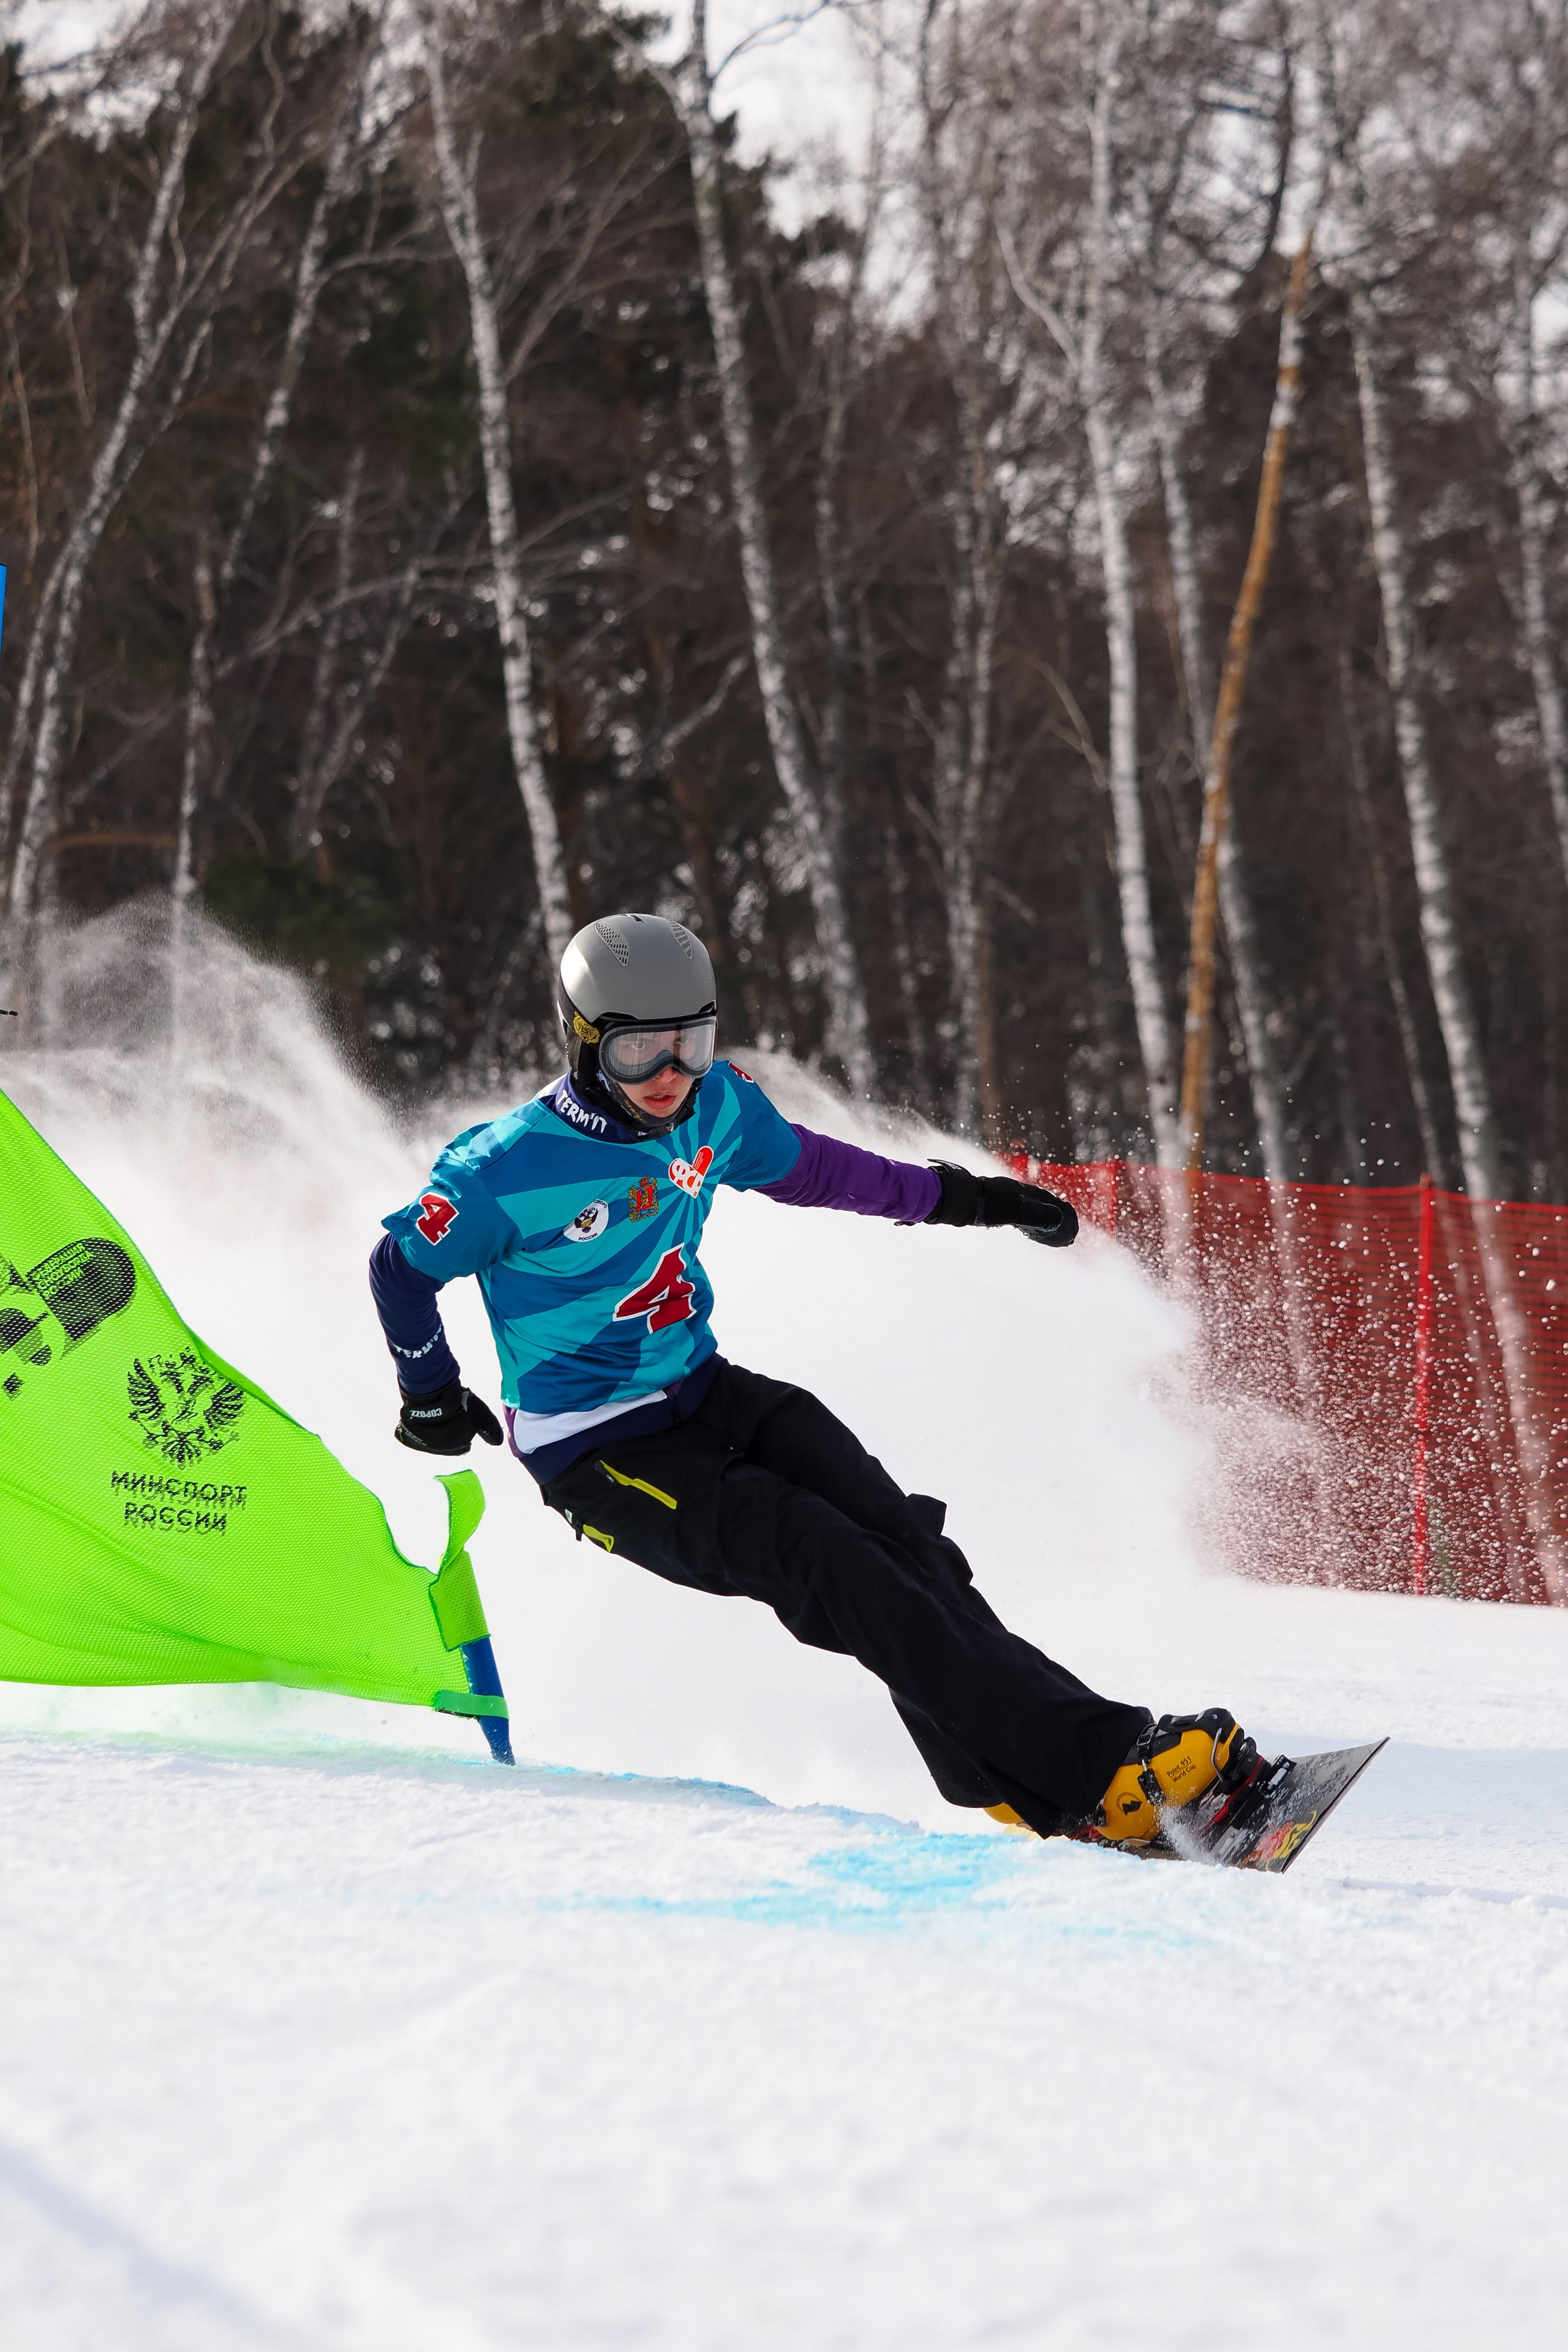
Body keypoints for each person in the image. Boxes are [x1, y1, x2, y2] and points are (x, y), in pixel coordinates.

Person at [370, 911, 1259, 1844]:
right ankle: (1104, 1772)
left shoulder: (716, 1108)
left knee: (905, 1543)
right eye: (639, 1051)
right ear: (585, 1042)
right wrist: (429, 1391)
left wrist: (971, 1199)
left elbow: (827, 1172)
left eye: (691, 1043)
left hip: (706, 1391)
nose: (670, 1075)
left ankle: (1018, 1786)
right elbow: (398, 1269)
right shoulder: (503, 1171)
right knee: (829, 1559)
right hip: (598, 1452)